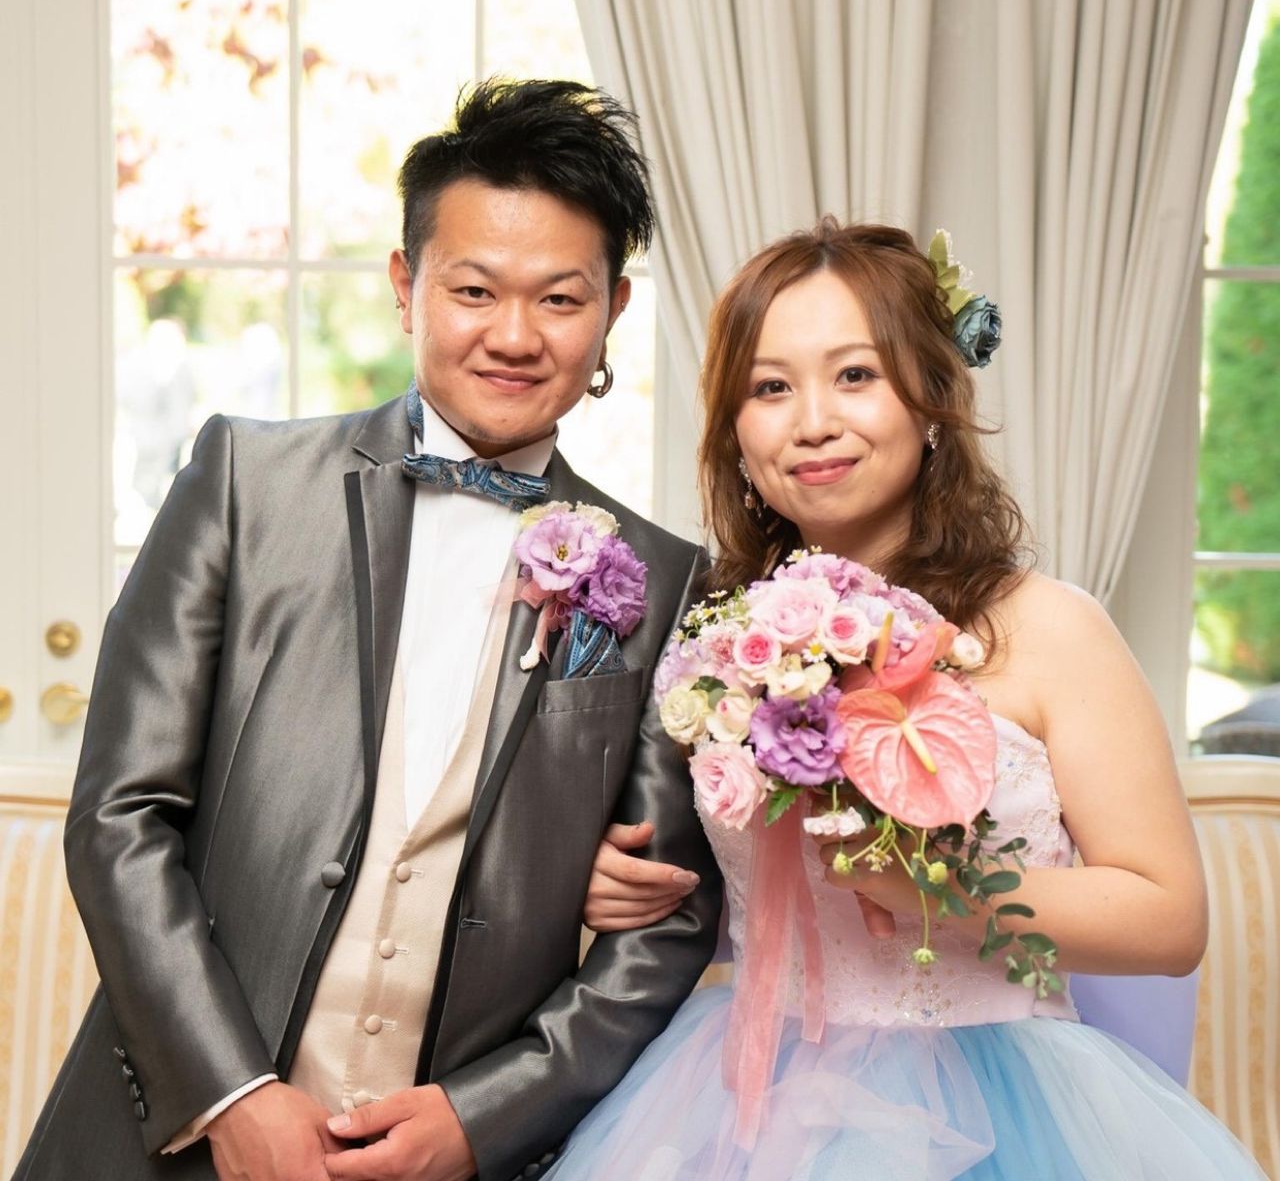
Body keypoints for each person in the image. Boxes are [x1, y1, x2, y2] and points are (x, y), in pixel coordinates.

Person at [16, 79, 721, 1181]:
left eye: (559, 299)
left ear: (613, 312)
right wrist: (232, 1093)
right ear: (405, 286)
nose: (514, 335)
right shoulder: (246, 484)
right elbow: (119, 815)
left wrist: (484, 1117)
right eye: (474, 289)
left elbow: (664, 923)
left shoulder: (664, 580)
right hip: (169, 1139)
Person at [553, 219, 1265, 1178]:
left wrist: (936, 889)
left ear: (931, 399)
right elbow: (753, 901)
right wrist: (633, 886)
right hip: (749, 1098)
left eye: (855, 375)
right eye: (770, 387)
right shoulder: (718, 640)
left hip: (1000, 1100)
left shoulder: (1049, 629)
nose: (812, 422)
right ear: (735, 432)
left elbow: (1169, 920)